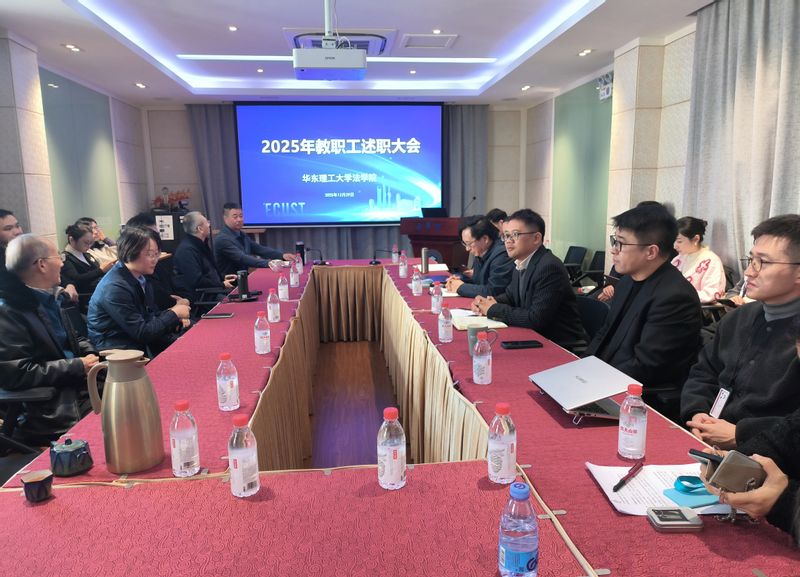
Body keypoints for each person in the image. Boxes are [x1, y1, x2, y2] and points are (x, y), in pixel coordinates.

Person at [682, 214, 800, 449]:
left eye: (762, 262)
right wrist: (697, 413)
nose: (748, 272)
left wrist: (741, 434)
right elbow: (704, 372)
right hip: (706, 440)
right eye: (751, 259)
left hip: (769, 455)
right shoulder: (738, 317)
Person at [583, 204, 703, 396]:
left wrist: (595, 382)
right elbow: (604, 334)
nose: (613, 250)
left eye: (621, 244)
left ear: (651, 252)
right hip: (607, 379)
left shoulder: (675, 297)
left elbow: (647, 365)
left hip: (640, 396)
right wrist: (581, 370)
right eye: (614, 241)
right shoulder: (626, 282)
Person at [0, 234, 99, 444]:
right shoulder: (8, 311)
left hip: (78, 384)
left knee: (133, 388)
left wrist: (91, 355)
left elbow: (74, 338)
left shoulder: (50, 297)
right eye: (58, 257)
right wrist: (77, 366)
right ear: (42, 265)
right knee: (123, 412)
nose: (62, 263)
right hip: (54, 405)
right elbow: (17, 373)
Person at [470, 209, 587, 350]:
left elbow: (535, 319)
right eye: (506, 235)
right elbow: (510, 296)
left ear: (536, 238)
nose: (508, 241)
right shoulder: (521, 262)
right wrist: (486, 302)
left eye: (515, 235)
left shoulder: (549, 267)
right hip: (534, 337)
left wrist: (493, 309)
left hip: (558, 344)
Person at [88, 226, 191, 357]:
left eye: (157, 254)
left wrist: (175, 318)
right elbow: (142, 333)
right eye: (149, 254)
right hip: (118, 352)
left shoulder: (139, 277)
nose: (155, 259)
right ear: (131, 251)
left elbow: (149, 317)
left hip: (136, 343)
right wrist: (174, 313)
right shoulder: (115, 287)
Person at [214, 203, 295, 276]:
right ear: (225, 219)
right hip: (230, 282)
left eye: (241, 216)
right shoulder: (222, 239)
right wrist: (269, 263)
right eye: (235, 217)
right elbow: (242, 258)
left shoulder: (241, 234)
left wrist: (282, 255)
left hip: (243, 277)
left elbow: (260, 249)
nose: (239, 219)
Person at [173, 211, 236, 304]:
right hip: (204, 296)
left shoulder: (201, 244)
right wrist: (221, 284)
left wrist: (222, 278)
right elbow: (197, 280)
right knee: (237, 303)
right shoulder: (186, 250)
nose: (209, 225)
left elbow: (209, 271)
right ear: (200, 229)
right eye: (207, 222)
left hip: (214, 290)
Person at [445, 216, 513, 298]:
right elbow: (478, 282)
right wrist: (458, 281)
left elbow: (493, 291)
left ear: (485, 239)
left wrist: (460, 287)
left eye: (469, 244)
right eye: (465, 244)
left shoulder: (502, 255)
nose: (467, 249)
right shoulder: (481, 251)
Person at [671, 217, 726, 304]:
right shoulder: (678, 259)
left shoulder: (711, 261)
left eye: (679, 241)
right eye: (673, 241)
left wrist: (678, 296)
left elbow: (712, 294)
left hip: (694, 308)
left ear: (696, 239)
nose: (674, 246)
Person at [61, 223, 114, 311]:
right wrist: (100, 270)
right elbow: (76, 280)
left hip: (100, 294)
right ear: (72, 240)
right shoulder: (66, 259)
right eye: (86, 243)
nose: (89, 246)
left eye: (91, 243)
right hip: (87, 301)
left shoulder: (86, 254)